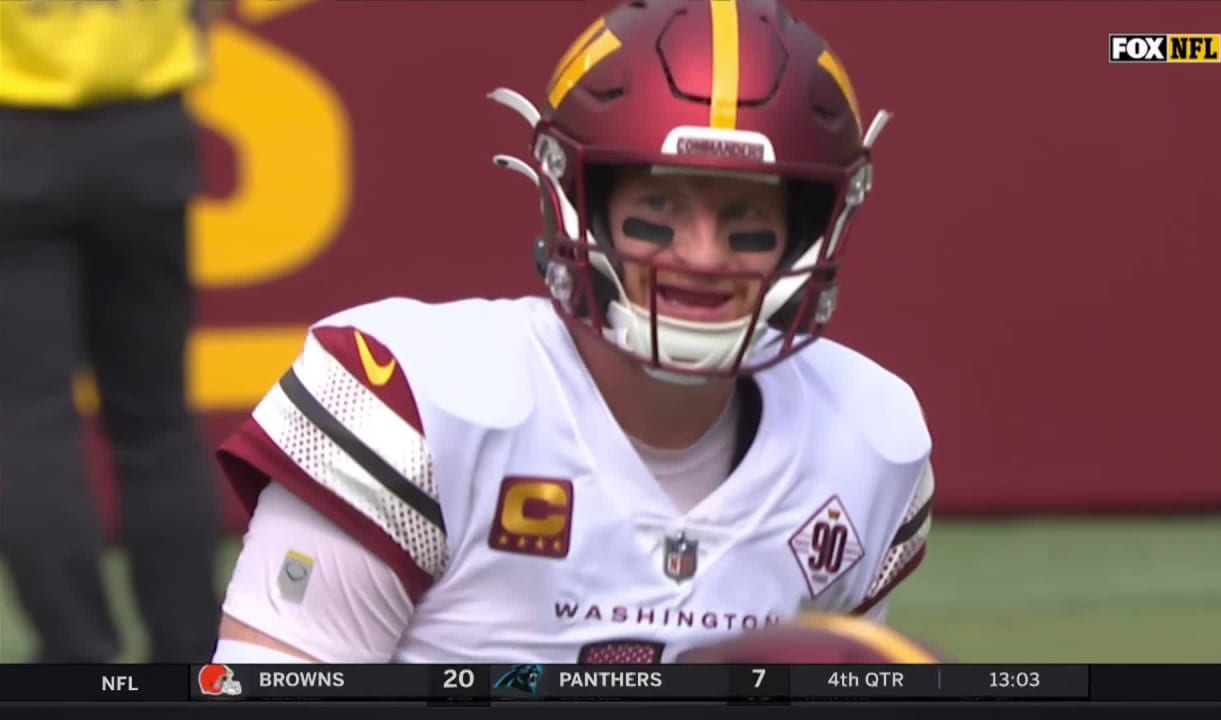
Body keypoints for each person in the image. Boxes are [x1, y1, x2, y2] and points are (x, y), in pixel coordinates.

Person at [211, 0, 935, 664]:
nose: (703, 255)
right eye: (657, 211)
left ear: (808, 233)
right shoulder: (417, 403)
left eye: (748, 223)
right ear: (577, 208)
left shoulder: (868, 441)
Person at [0, 0, 226, 662]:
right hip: (145, 124)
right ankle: (190, 654)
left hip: (13, 127)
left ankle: (78, 657)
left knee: (28, 421)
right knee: (156, 422)